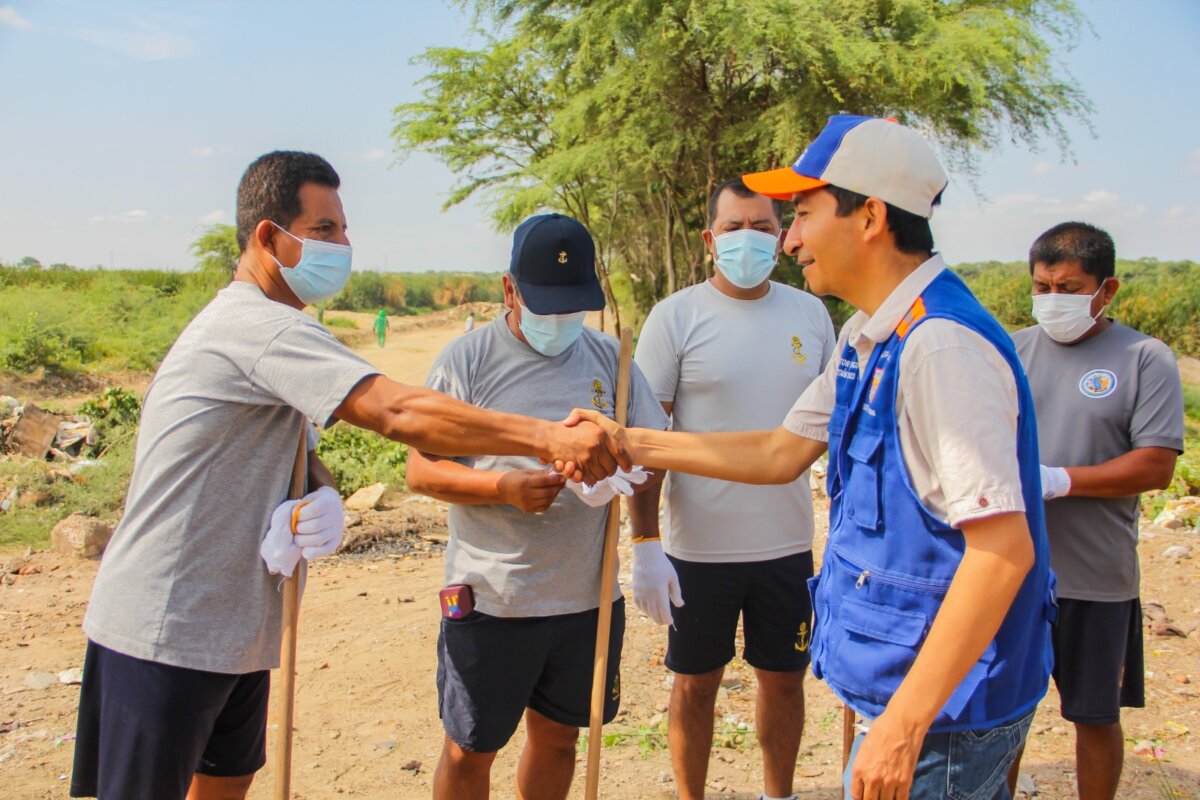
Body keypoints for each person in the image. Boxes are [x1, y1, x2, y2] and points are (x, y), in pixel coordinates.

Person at [69, 154, 628, 800]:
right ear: (269, 238)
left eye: (344, 229)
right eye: (326, 229)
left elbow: (298, 451)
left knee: (226, 785)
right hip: (168, 625)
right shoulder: (256, 326)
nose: (344, 246)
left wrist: (322, 488)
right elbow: (396, 409)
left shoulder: (282, 331)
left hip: (235, 627)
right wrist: (548, 438)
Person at [567, 115, 1055, 800]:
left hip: (944, 711)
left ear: (871, 217)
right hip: (913, 694)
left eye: (800, 214)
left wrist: (904, 725)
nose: (789, 238)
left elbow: (1002, 552)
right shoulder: (869, 333)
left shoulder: (939, 346)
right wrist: (627, 442)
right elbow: (779, 451)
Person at [405, 212, 670, 800]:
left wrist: (629, 504)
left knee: (559, 740)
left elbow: (653, 454)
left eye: (572, 305)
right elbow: (420, 469)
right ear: (510, 290)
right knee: (470, 748)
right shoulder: (466, 361)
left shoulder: (612, 361)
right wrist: (504, 489)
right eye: (546, 305)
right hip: (491, 596)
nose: (561, 321)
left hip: (585, 598)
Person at [630, 177, 835, 800]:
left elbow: (837, 422)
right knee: (695, 682)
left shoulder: (810, 313)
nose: (749, 238)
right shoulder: (675, 317)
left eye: (763, 228)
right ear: (709, 239)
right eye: (733, 228)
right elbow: (647, 437)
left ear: (782, 237)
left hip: (786, 542)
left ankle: (781, 793)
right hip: (699, 550)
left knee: (784, 680)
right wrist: (644, 542)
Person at [1005, 222, 1184, 800]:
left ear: (1106, 290)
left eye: (1069, 288)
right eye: (1043, 287)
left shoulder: (1143, 359)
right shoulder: (1011, 350)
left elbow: (1155, 466)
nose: (1053, 301)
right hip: (1015, 573)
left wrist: (1059, 480)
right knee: (1001, 716)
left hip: (1097, 579)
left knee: (1095, 716)